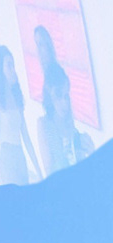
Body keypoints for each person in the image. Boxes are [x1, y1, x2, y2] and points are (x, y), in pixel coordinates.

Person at [0, 45, 37, 183]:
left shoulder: (16, 93)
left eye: (13, 65)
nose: (13, 70)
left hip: (20, 156)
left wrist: (38, 170)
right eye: (9, 66)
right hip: (7, 158)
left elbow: (25, 136)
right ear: (0, 68)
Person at [34, 26, 77, 174]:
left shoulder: (55, 72)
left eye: (42, 44)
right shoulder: (44, 125)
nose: (40, 50)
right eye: (37, 44)